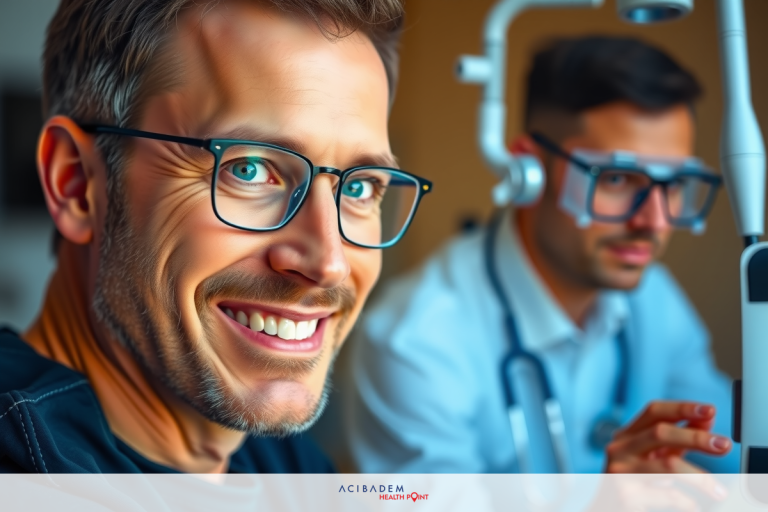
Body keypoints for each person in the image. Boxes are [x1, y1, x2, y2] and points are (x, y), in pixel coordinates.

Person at [0, 0, 432, 474]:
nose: (328, 262)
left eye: (359, 186)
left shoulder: (286, 466)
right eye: (249, 169)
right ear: (77, 183)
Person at [342, 36, 739, 473]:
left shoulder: (656, 301)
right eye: (618, 179)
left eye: (676, 185)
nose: (655, 221)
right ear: (528, 171)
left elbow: (732, 458)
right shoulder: (415, 343)